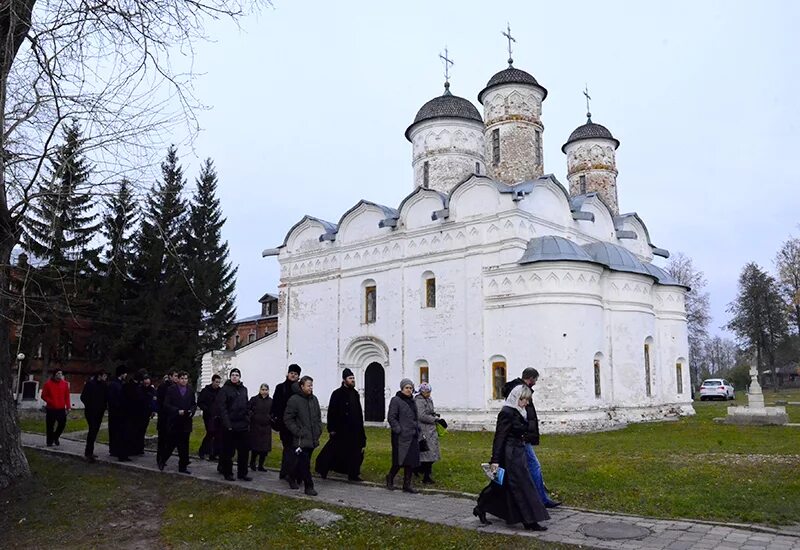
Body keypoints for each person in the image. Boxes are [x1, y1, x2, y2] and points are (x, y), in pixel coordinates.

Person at [474, 384, 550, 531]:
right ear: (516, 397)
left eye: (527, 400)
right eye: (524, 399)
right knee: (522, 486)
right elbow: (499, 437)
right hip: (509, 455)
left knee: (500, 486)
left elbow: (520, 431)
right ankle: (529, 521)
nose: (526, 403)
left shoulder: (519, 411)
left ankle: (480, 507)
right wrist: (495, 460)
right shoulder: (507, 412)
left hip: (518, 452)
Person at [502, 367, 560, 508]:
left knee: (520, 469)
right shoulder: (520, 391)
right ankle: (540, 499)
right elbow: (519, 415)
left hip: (519, 436)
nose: (535, 383)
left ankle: (528, 498)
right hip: (520, 437)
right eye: (535, 380)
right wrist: (526, 432)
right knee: (534, 466)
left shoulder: (517, 389)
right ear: (531, 378)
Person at [315, 368, 367, 482]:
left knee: (355, 452)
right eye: (350, 378)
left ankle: (353, 474)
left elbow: (358, 411)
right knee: (333, 451)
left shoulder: (355, 394)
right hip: (341, 429)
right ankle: (322, 469)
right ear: (344, 380)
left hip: (354, 429)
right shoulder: (337, 393)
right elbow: (332, 412)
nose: (353, 380)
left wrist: (360, 428)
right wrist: (332, 428)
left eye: (353, 378)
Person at [283, 375, 323, 495]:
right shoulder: (294, 400)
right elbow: (288, 418)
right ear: (302, 386)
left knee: (301, 462)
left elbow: (318, 416)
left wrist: (318, 429)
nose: (310, 388)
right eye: (308, 385)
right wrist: (297, 431)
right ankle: (309, 486)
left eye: (311, 385)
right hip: (300, 438)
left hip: (312, 437)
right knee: (305, 463)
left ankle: (291, 476)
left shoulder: (314, 399)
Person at [215, 368, 251, 481]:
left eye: (237, 375)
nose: (235, 377)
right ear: (230, 377)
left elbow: (246, 405)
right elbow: (222, 408)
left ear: (240, 377)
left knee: (244, 452)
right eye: (233, 375)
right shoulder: (225, 390)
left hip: (243, 425)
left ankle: (242, 473)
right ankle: (228, 473)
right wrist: (227, 424)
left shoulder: (244, 389)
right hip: (230, 425)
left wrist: (247, 418)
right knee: (228, 452)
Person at [386, 378, 421, 494]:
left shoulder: (412, 401)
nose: (409, 390)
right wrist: (398, 429)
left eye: (410, 388)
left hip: (412, 435)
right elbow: (391, 417)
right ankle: (390, 478)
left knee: (410, 461)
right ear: (402, 388)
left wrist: (417, 427)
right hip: (400, 436)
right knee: (398, 460)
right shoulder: (396, 400)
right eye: (406, 388)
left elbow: (415, 417)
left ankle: (407, 484)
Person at [160, 371, 197, 474]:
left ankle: (183, 466)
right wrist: (176, 411)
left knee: (184, 445)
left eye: (186, 379)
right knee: (171, 444)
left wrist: (191, 411)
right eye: (182, 378)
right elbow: (166, 404)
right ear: (178, 379)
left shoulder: (190, 389)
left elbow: (194, 404)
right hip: (175, 421)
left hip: (186, 420)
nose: (184, 381)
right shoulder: (171, 390)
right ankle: (162, 460)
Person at [272, 363, 301, 482]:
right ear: (288, 374)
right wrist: (276, 419)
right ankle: (287, 472)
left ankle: (286, 471)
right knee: (288, 447)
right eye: (291, 373)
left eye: (295, 374)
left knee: (294, 448)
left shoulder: (300, 388)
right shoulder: (281, 387)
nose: (293, 375)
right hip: (284, 423)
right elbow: (275, 404)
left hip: (297, 423)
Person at [414, 382, 445, 484]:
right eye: (427, 392)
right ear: (422, 392)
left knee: (431, 453)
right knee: (427, 453)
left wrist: (435, 416)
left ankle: (421, 470)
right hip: (424, 430)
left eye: (429, 392)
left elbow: (429, 411)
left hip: (431, 430)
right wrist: (435, 420)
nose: (429, 394)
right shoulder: (419, 401)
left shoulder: (428, 399)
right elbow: (421, 416)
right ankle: (425, 475)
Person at [80, 369, 108, 462]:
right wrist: (90, 405)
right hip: (91, 412)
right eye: (104, 376)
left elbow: (105, 397)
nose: (105, 378)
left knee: (95, 431)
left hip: (100, 412)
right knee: (92, 430)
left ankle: (90, 452)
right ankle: (88, 452)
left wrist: (104, 407)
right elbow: (83, 397)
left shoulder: (104, 385)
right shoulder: (90, 384)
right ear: (99, 375)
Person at [41, 369, 71, 447]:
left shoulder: (65, 384)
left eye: (61, 373)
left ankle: (55, 436)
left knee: (62, 424)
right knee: (50, 425)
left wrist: (68, 407)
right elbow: (43, 395)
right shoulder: (48, 384)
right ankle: (49, 441)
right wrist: (50, 401)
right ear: (54, 374)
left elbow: (67, 396)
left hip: (61, 408)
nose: (60, 375)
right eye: (58, 373)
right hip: (51, 408)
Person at [107, 365, 130, 461]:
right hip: (116, 412)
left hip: (120, 412)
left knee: (118, 432)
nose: (126, 375)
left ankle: (116, 450)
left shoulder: (121, 383)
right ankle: (116, 451)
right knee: (117, 431)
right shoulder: (114, 384)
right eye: (125, 373)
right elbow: (112, 399)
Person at [248, 383, 273, 472]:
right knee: (255, 447)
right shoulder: (254, 399)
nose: (264, 392)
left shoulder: (271, 401)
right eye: (263, 389)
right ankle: (252, 463)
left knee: (264, 449)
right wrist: (252, 416)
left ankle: (261, 465)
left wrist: (270, 418)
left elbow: (273, 413)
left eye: (266, 390)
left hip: (266, 427)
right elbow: (248, 409)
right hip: (255, 426)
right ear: (260, 390)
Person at [156, 370, 179, 466]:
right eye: (175, 376)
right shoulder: (164, 387)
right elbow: (161, 402)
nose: (176, 378)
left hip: (171, 417)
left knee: (168, 438)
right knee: (162, 438)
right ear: (170, 376)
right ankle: (160, 458)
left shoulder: (175, 387)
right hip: (164, 416)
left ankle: (163, 457)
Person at [197, 374, 222, 460]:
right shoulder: (206, 391)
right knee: (210, 433)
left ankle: (214, 453)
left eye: (219, 382)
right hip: (208, 416)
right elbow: (200, 402)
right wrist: (207, 409)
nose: (217, 384)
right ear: (212, 381)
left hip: (217, 416)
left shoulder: (220, 391)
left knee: (217, 435)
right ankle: (203, 451)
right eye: (216, 382)